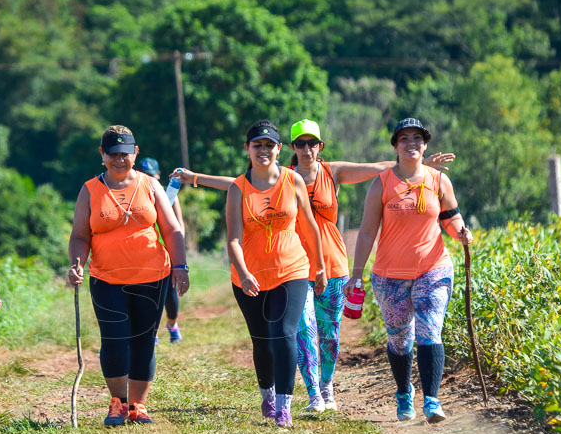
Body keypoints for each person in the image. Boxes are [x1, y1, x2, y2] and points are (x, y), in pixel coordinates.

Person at [173, 122, 454, 412]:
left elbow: (375, 167)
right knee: (303, 330)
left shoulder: (333, 172)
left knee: (329, 335)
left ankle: (327, 386)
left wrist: (415, 161)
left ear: (320, 146)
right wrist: (195, 178)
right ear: (291, 148)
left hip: (333, 264)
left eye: (313, 143)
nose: (307, 149)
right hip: (295, 268)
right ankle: (313, 395)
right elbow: (236, 184)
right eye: (301, 144)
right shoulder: (282, 177)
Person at [345, 118, 471, 423]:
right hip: (389, 276)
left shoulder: (439, 181)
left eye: (417, 138)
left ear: (425, 145)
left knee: (430, 332)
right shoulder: (382, 184)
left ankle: (432, 400)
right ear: (395, 146)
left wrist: (462, 233)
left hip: (433, 270)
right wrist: (357, 272)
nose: (411, 143)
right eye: (404, 139)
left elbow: (451, 218)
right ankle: (404, 392)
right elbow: (366, 232)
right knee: (400, 340)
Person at [68, 126, 189, 426]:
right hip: (106, 279)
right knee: (114, 339)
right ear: (102, 155)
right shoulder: (90, 190)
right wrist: (76, 263)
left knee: (144, 340)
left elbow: (172, 229)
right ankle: (118, 403)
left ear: (135, 153)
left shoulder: (150, 185)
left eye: (125, 154)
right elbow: (80, 236)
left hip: (152, 277)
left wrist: (181, 266)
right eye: (113, 154)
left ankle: (139, 405)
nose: (119, 160)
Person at [226, 120, 326, 428]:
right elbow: (232, 238)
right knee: (262, 341)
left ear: (279, 149)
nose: (263, 151)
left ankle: (284, 406)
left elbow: (309, 226)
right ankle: (267, 394)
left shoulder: (292, 180)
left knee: (284, 333)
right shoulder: (237, 188)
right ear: (248, 149)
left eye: (269, 145)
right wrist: (243, 273)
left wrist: (320, 266)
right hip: (249, 276)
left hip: (291, 269)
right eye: (257, 145)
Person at [135, 157, 185, 344]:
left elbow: (179, 225)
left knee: (170, 297)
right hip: (145, 254)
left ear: (157, 175)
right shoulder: (132, 196)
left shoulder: (168, 193)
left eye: (150, 175)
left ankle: (172, 325)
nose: (147, 178)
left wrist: (179, 253)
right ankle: (152, 331)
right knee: (147, 294)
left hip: (168, 253)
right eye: (143, 174)